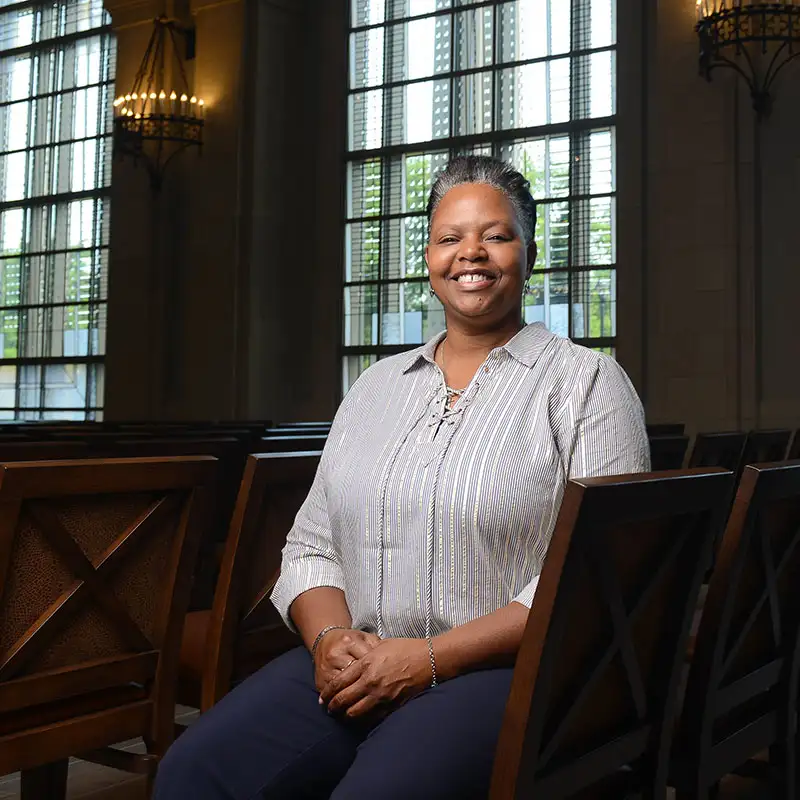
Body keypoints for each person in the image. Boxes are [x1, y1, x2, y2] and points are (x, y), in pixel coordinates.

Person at [154, 155, 650, 799]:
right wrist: (331, 639)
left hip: (508, 671)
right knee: (194, 771)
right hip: (360, 658)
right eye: (450, 237)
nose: (471, 252)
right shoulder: (374, 387)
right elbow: (311, 547)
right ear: (429, 259)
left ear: (530, 253)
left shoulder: (585, 384)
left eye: (496, 235)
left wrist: (426, 661)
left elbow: (598, 580)